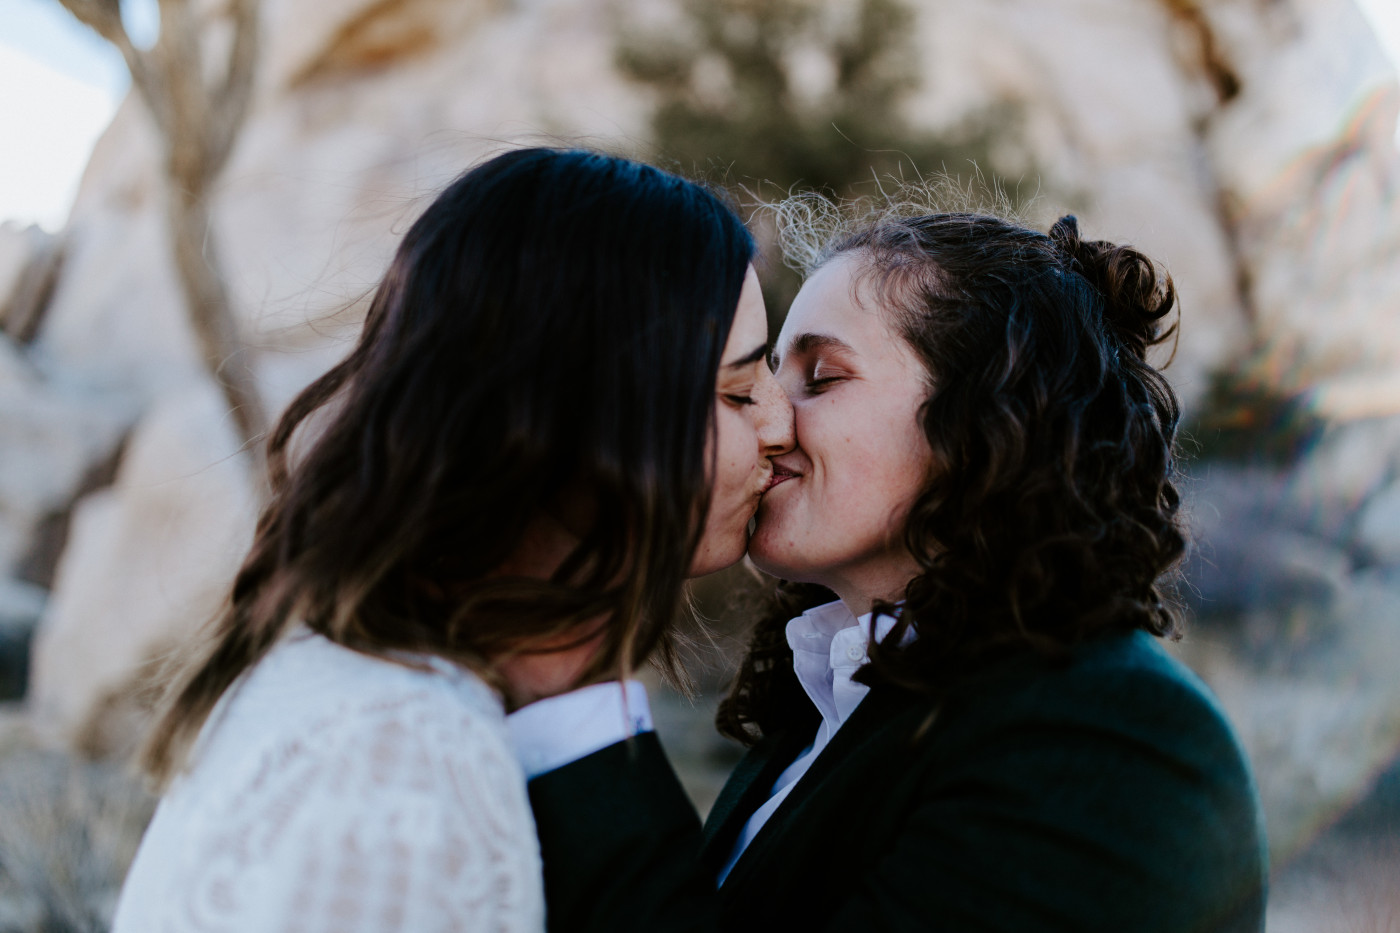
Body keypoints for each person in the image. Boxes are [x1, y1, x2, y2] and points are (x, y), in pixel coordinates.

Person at [511, 205, 1269, 932]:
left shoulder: (1114, 736)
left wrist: (573, 693)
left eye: (822, 376)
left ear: (985, 419)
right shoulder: (830, 714)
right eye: (763, 378)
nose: (769, 421)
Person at [111, 147, 794, 932]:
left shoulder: (368, 685)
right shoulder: (405, 765)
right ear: (578, 420)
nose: (780, 424)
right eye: (740, 389)